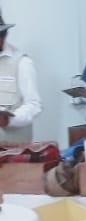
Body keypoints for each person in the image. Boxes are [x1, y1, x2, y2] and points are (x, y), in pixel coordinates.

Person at [0, 13, 42, 141]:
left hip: (12, 147)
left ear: (3, 36)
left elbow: (34, 105)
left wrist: (9, 120)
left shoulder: (22, 62)